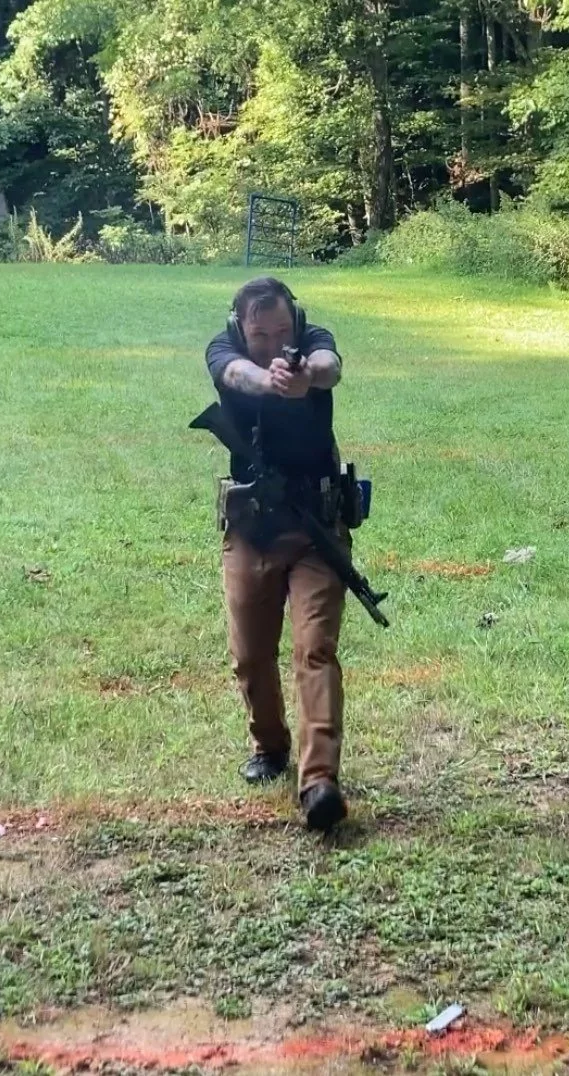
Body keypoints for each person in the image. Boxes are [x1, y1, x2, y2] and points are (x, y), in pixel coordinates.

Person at [204, 276, 354, 832]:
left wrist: (306, 376)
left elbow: (330, 365)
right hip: (253, 527)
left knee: (315, 649)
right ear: (239, 328)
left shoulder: (311, 341)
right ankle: (269, 745)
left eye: (282, 331)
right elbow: (232, 374)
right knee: (250, 654)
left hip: (317, 527)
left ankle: (319, 782)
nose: (273, 343)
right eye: (260, 334)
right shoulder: (224, 349)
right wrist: (268, 381)